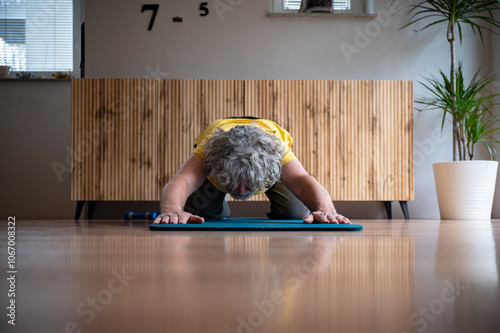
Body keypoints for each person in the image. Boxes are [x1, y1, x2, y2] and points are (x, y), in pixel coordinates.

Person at [153, 117, 350, 225]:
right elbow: (183, 180)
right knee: (198, 212)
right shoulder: (209, 148)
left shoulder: (277, 152)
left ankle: (246, 180)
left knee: (295, 214)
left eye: (248, 184)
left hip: (263, 166)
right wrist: (172, 210)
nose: (240, 191)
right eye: (232, 182)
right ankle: (219, 197)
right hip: (221, 167)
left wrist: (325, 210)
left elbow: (301, 181)